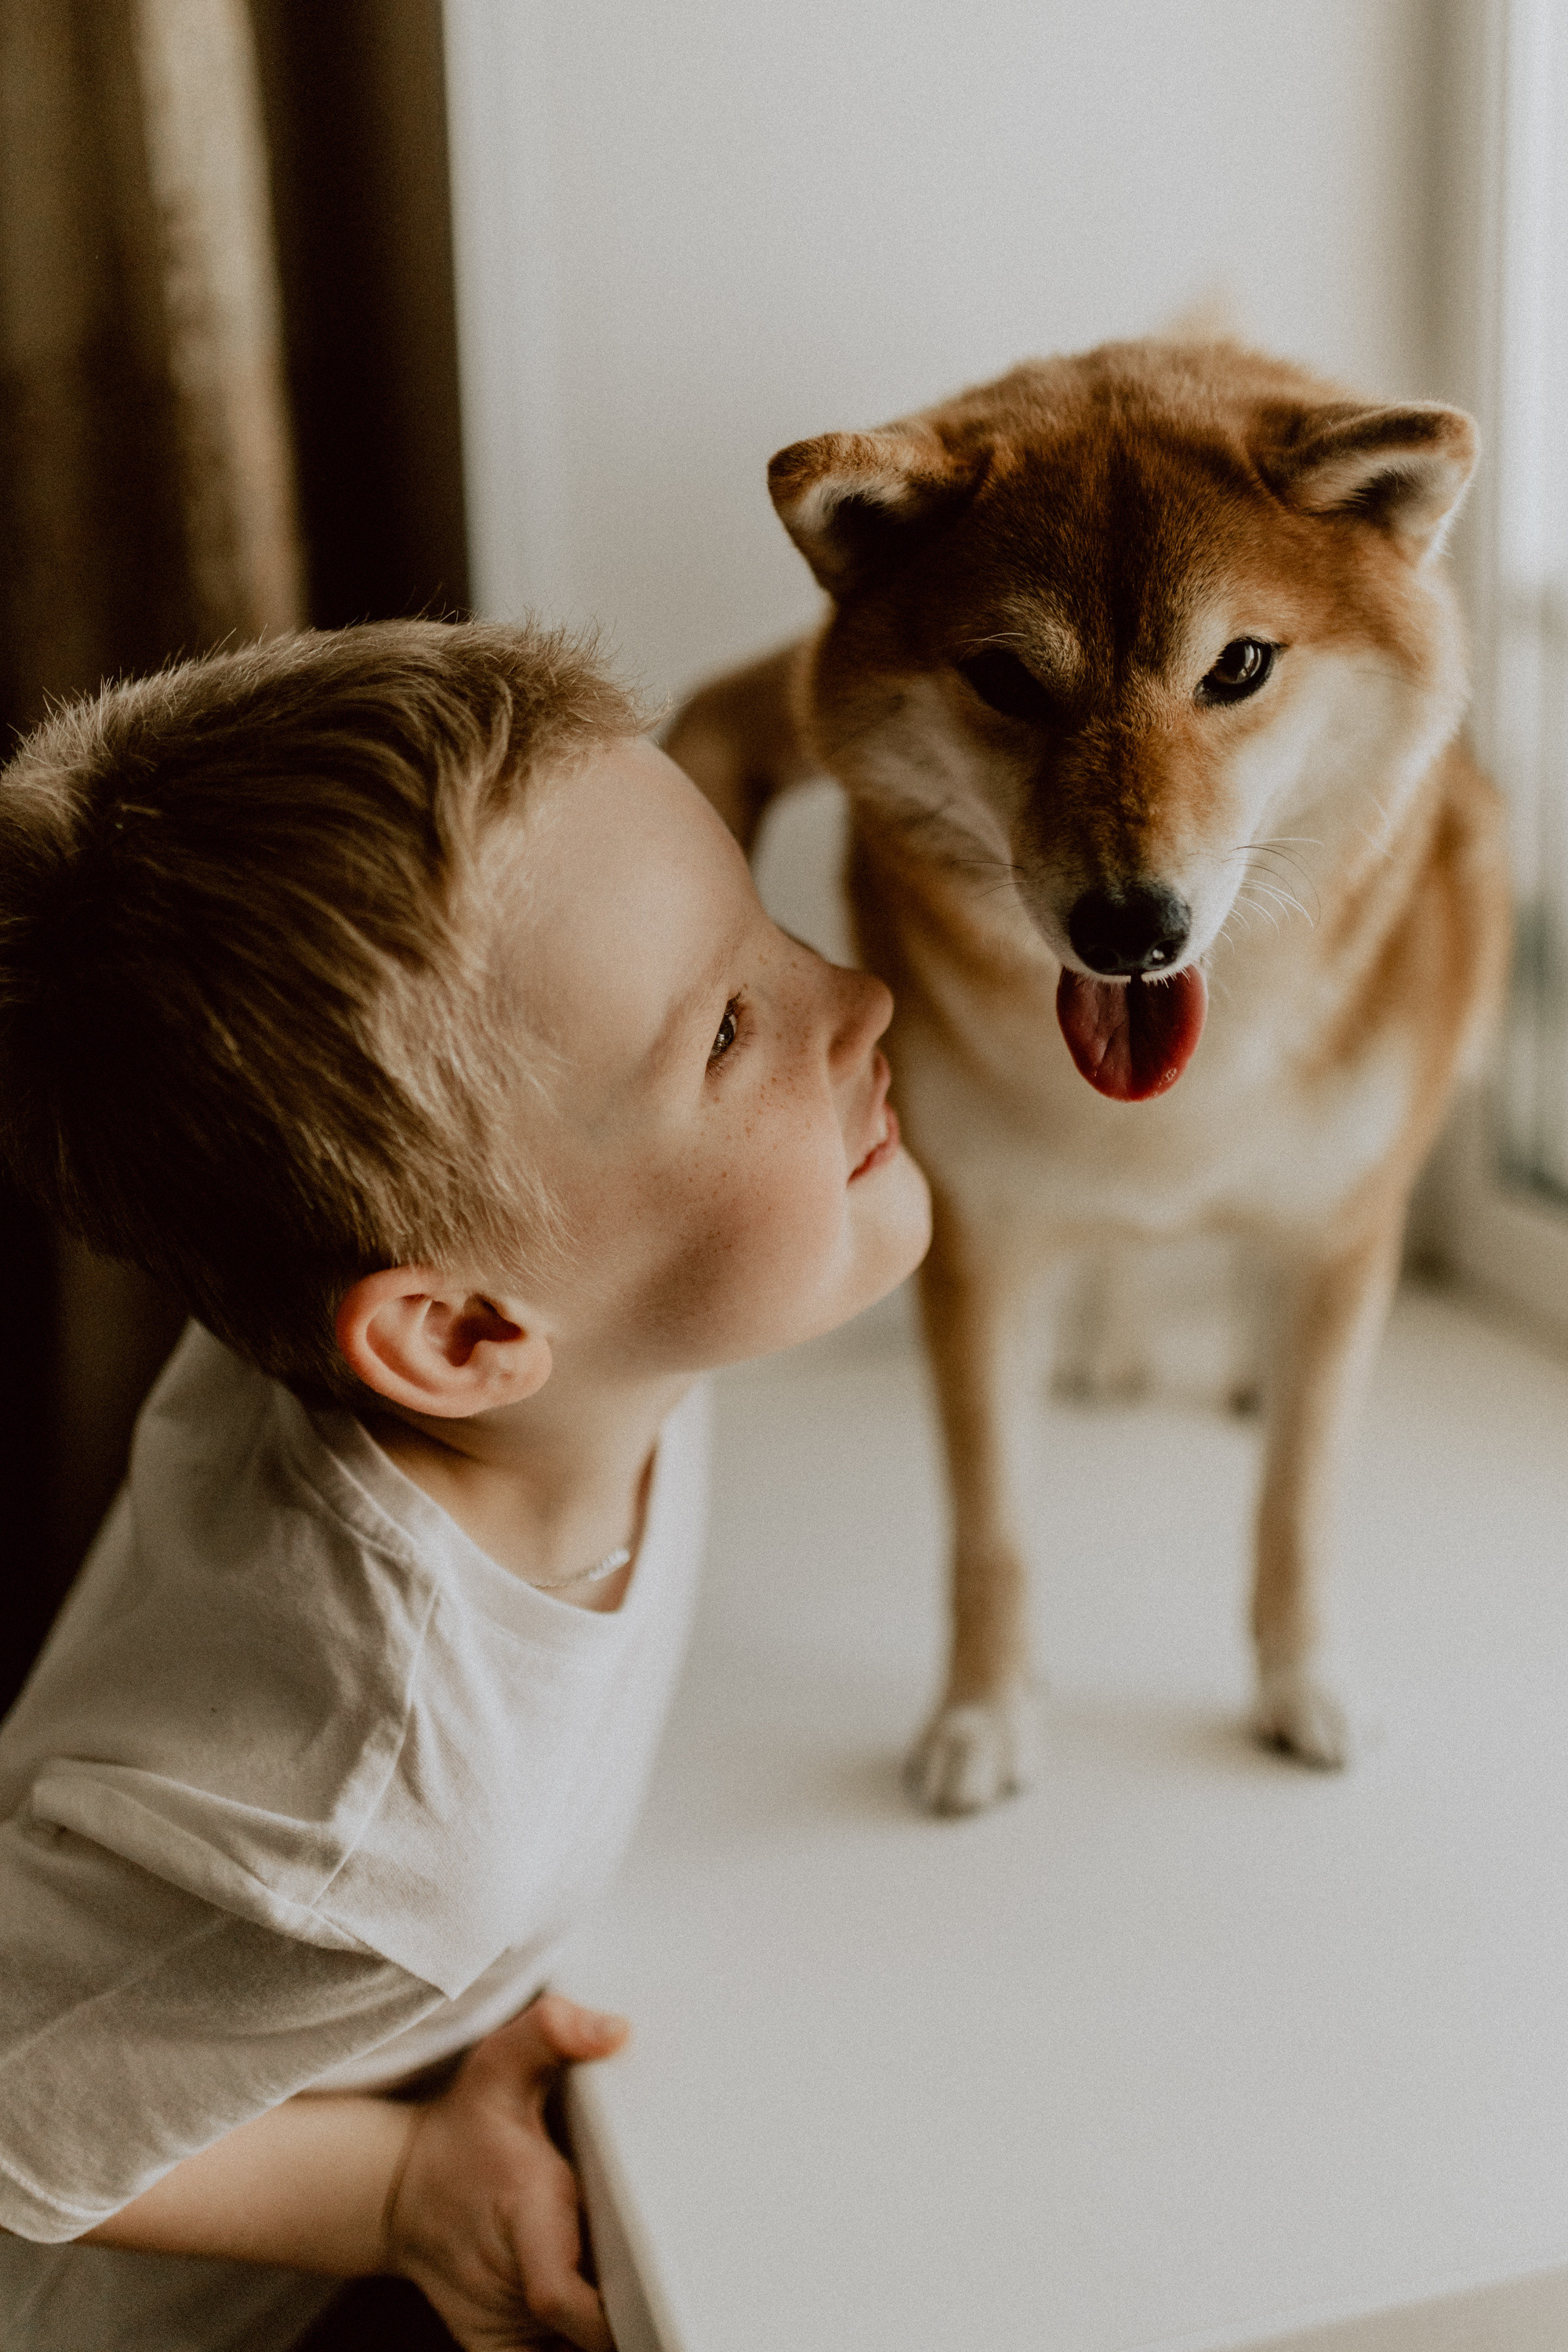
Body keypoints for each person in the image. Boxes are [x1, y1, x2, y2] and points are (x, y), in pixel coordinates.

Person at [0, 620, 931, 2350]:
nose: (856, 998)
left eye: (765, 919)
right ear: (462, 1336)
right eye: (732, 1029)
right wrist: (391, 2189)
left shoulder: (534, 1311)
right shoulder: (391, 1817)